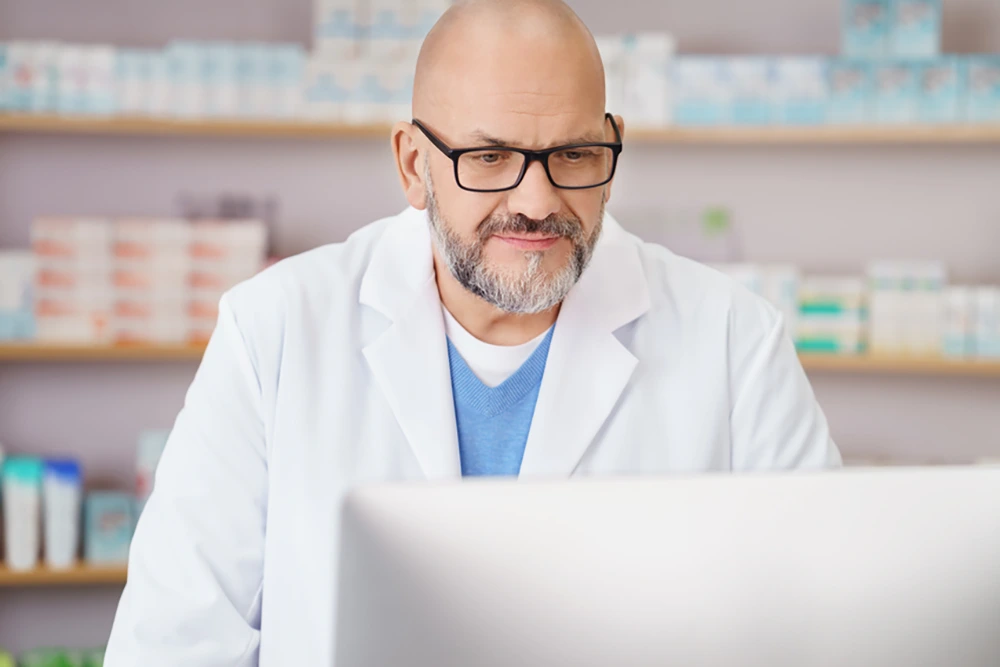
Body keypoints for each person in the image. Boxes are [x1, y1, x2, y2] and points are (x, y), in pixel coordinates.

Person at [104, 0, 840, 664]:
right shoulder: (274, 333)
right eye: (489, 158)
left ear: (612, 152)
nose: (537, 200)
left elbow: (831, 625)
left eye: (574, 155)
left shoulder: (734, 341)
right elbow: (173, 644)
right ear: (413, 165)